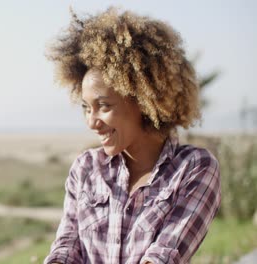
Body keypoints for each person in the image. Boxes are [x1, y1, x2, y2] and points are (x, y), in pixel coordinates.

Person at [43, 7, 221, 264]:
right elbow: (66, 249)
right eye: (86, 108)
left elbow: (163, 257)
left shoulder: (194, 168)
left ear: (143, 99)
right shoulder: (85, 169)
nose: (92, 122)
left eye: (104, 106)